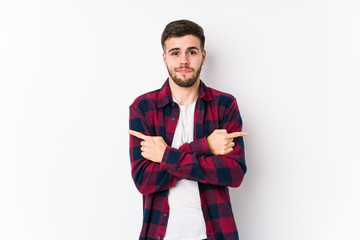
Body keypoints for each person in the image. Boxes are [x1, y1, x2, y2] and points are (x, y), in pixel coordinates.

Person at [129, 19, 247, 240]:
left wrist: (164, 155)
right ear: (165, 58)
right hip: (160, 234)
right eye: (175, 53)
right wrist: (205, 146)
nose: (183, 60)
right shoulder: (143, 108)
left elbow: (234, 173)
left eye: (191, 51)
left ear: (203, 56)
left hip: (215, 234)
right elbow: (144, 180)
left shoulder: (224, 105)